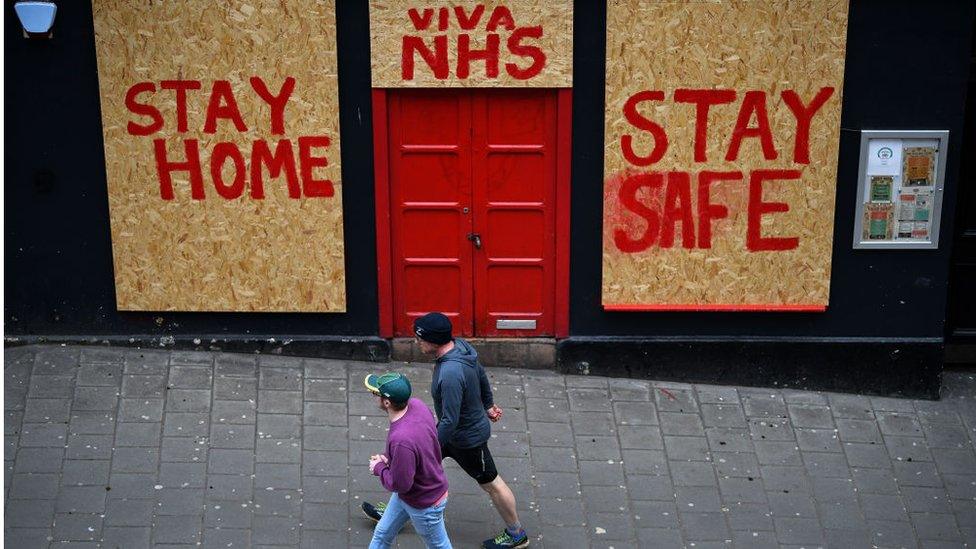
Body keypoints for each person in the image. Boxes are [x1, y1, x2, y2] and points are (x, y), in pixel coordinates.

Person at [362, 312, 529, 549]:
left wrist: (426, 444)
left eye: (420, 339)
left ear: (433, 341)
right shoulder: (460, 347)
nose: (417, 343)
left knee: (491, 483)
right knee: (407, 466)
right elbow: (480, 374)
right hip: (450, 433)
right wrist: (488, 404)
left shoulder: (450, 373)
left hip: (466, 440)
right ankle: (396, 510)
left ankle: (516, 534)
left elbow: (450, 420)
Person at [364, 371, 452, 549]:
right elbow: (423, 443)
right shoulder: (417, 406)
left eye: (376, 394)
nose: (374, 397)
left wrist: (379, 468)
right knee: (382, 534)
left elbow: (400, 484)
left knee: (439, 546)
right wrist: (391, 460)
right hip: (412, 494)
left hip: (424, 503)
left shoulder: (401, 440)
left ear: (387, 402)